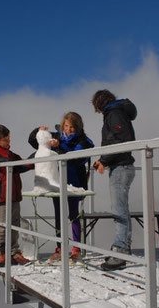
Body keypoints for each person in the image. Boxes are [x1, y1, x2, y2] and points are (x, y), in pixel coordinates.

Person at [28, 112, 94, 262]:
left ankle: (76, 248)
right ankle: (60, 247)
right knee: (59, 215)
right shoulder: (56, 136)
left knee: (73, 215)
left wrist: (60, 146)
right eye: (66, 126)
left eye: (71, 127)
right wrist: (40, 131)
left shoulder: (83, 141)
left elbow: (76, 157)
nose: (68, 129)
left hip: (74, 182)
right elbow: (33, 140)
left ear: (78, 127)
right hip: (57, 182)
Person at [91, 89, 137, 271]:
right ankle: (122, 247)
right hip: (121, 166)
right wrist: (104, 160)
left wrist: (103, 160)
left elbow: (118, 142)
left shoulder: (114, 114)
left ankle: (121, 250)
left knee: (119, 211)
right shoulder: (117, 113)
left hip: (121, 167)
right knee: (122, 209)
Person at [0, 124, 32, 267]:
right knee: (4, 225)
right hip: (1, 197)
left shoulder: (11, 154)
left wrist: (34, 161)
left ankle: (14, 252)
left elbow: (21, 165)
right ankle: (2, 253)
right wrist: (8, 162)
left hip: (14, 195)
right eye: (5, 140)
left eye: (9, 139)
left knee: (15, 224)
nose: (8, 142)